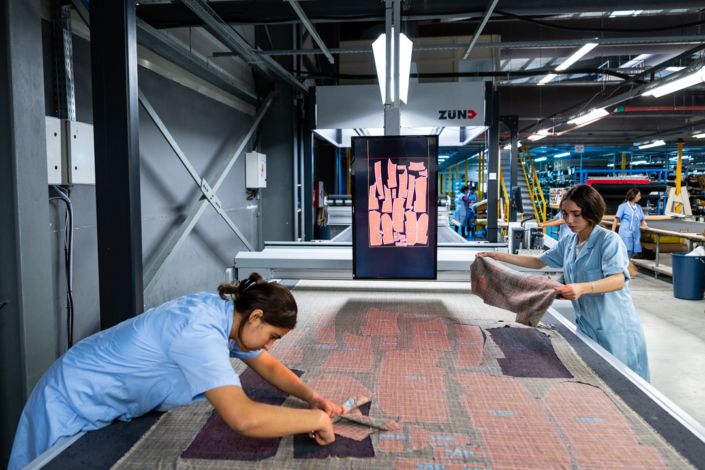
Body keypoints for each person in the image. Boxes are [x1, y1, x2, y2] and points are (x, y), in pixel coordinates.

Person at [9, 273, 343, 470]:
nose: (269, 346)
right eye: (273, 336)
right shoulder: (200, 331)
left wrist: (314, 398)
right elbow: (244, 418)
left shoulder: (228, 314)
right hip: (69, 399)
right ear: (256, 317)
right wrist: (316, 421)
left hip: (99, 398)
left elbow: (265, 364)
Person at [477, 185, 649, 381]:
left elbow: (618, 280)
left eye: (576, 214)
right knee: (593, 380)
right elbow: (538, 261)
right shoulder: (569, 242)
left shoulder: (609, 241)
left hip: (615, 329)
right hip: (587, 326)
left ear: (592, 212)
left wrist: (582, 288)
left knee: (623, 386)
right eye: (565, 214)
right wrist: (495, 255)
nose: (569, 220)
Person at [612, 188, 647, 258]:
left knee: (633, 254)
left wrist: (645, 225)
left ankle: (626, 267)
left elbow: (642, 219)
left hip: (635, 234)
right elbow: (616, 219)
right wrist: (612, 232)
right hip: (625, 234)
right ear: (634, 196)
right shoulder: (623, 206)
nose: (640, 197)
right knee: (625, 254)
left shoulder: (639, 207)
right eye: (638, 195)